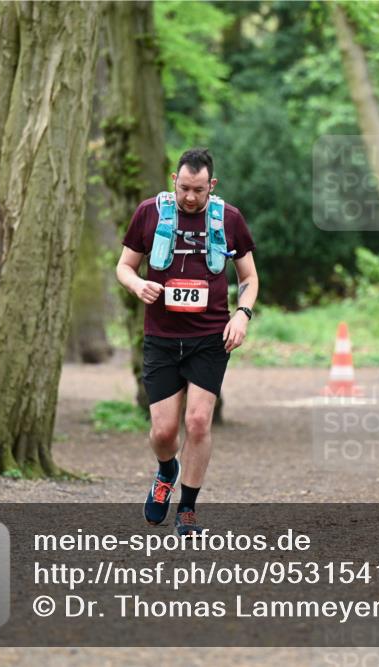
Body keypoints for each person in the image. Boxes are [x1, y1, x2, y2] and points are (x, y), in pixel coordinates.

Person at [116, 148, 258, 535]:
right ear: (173, 182)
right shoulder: (150, 212)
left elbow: (249, 278)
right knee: (164, 433)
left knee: (197, 422)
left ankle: (188, 509)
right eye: (184, 188)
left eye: (198, 189)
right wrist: (137, 284)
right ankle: (166, 471)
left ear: (211, 185)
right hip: (161, 337)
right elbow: (124, 266)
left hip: (210, 337)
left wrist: (241, 316)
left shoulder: (228, 219)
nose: (190, 197)